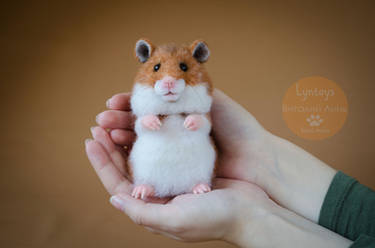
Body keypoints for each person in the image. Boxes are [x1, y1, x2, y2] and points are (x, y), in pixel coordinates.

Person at [85, 89, 375, 247]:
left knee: (200, 157)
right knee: (144, 158)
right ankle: (147, 183)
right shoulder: (147, 103)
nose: (170, 83)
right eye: (159, 69)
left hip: (193, 169)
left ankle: (195, 183)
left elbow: (203, 130)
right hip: (153, 170)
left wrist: (245, 220)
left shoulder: (195, 103)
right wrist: (146, 123)